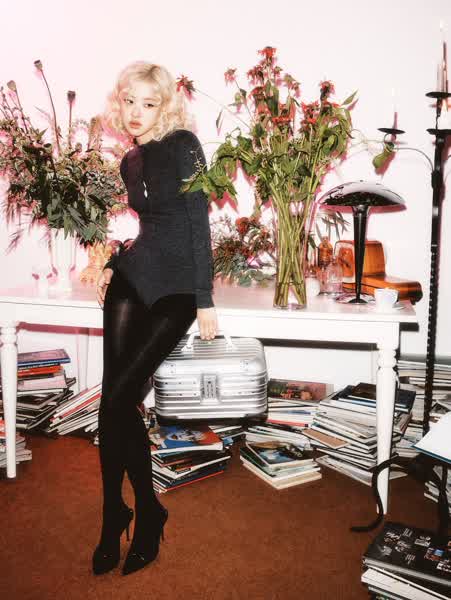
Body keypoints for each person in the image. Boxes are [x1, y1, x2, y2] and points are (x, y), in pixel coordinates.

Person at [93, 61, 218, 577]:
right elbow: (149, 228)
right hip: (135, 274)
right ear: (119, 103)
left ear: (163, 106)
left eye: (148, 103)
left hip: (179, 288)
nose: (136, 112)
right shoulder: (130, 160)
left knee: (118, 400)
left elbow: (196, 224)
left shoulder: (184, 145)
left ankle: (146, 510)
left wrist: (205, 298)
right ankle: (115, 513)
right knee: (112, 400)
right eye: (130, 101)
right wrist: (112, 258)